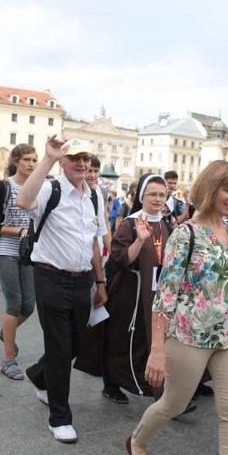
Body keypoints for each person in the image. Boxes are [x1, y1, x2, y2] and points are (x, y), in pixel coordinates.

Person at [127, 161, 228, 455]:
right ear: (209, 188)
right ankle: (137, 442)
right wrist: (156, 348)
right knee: (172, 403)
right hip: (189, 334)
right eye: (226, 189)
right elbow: (165, 295)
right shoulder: (185, 234)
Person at [16, 137, 107, 444]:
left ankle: (39, 374)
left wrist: (101, 281)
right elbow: (23, 202)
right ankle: (60, 417)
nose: (82, 164)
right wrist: (48, 158)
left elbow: (94, 241)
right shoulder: (49, 187)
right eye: (75, 158)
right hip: (50, 277)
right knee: (59, 348)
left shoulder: (95, 195)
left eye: (86, 159)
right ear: (64, 162)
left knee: (76, 345)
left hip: (82, 281)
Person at [77, 173, 171, 403]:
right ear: (142, 196)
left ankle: (155, 386)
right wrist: (139, 241)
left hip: (156, 292)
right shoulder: (130, 223)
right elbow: (119, 259)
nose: (158, 199)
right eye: (153, 194)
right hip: (131, 290)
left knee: (149, 339)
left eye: (162, 195)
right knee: (123, 338)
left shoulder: (167, 224)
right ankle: (115, 384)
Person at [0, 146, 37, 377]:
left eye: (35, 160)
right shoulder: (4, 187)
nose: (32, 164)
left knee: (29, 306)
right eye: (27, 159)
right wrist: (17, 231)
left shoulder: (39, 187)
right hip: (7, 250)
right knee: (14, 304)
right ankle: (8, 359)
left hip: (29, 253)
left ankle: (5, 331)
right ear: (16, 161)